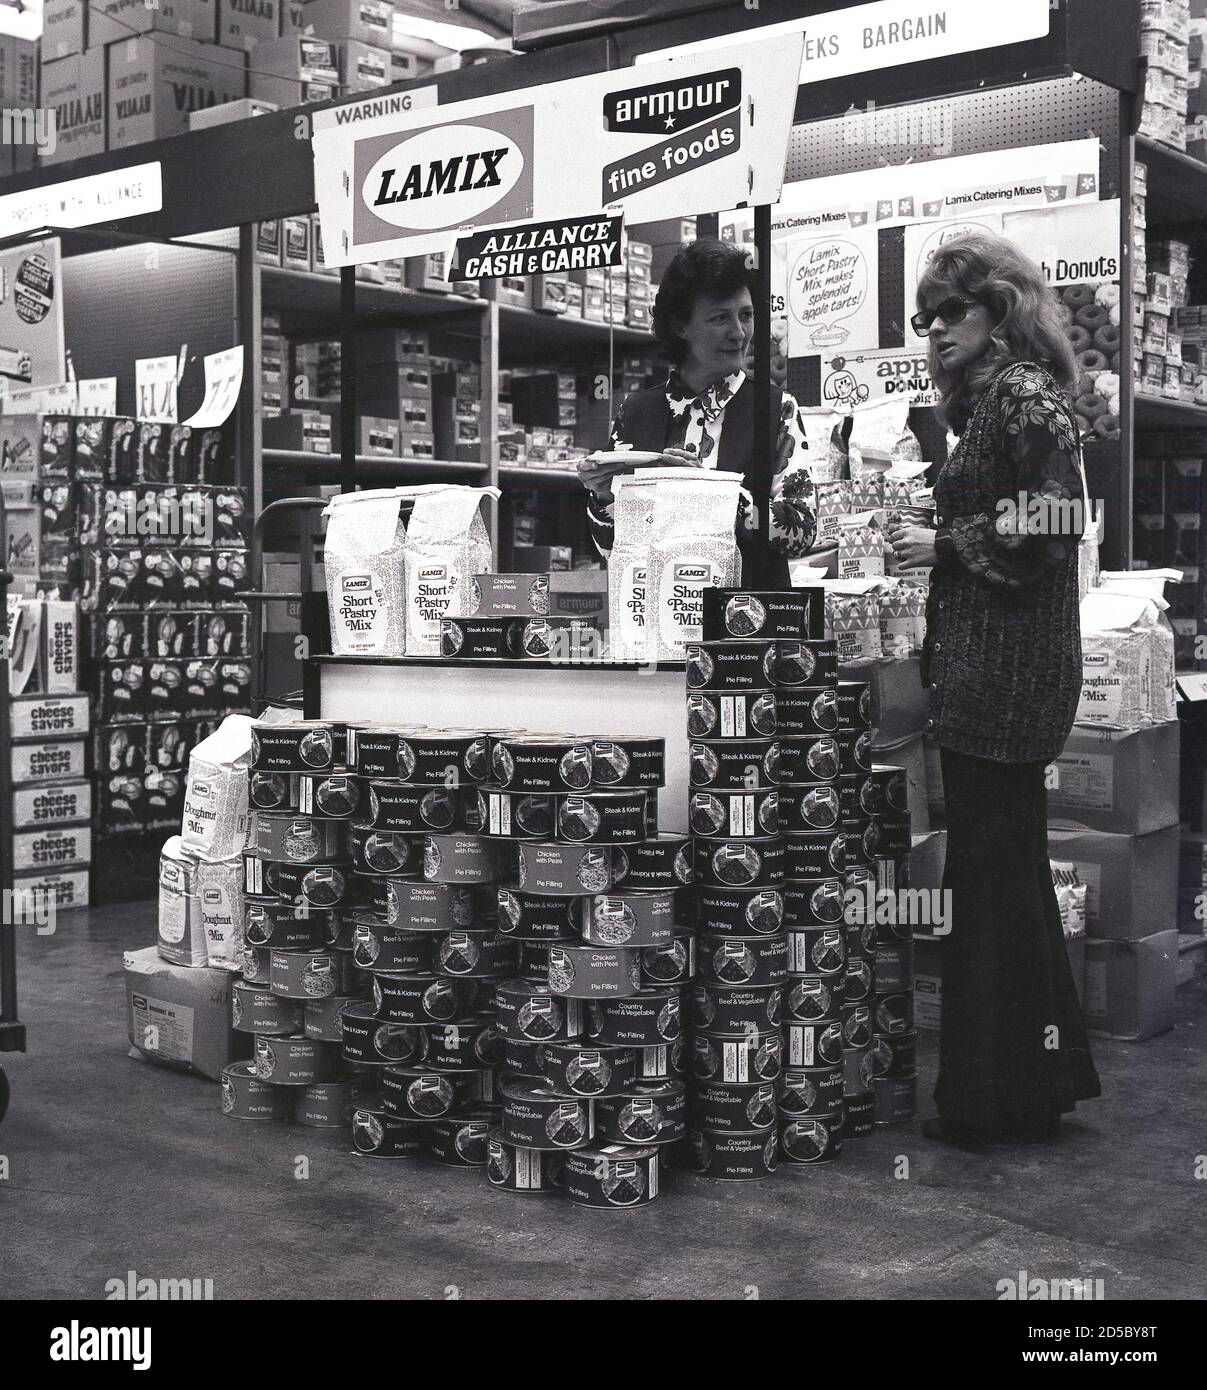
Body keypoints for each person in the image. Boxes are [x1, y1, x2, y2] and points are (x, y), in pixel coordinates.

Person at [887, 229, 1101, 1149]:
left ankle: (994, 1100)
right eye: (926, 316)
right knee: (1000, 878)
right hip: (991, 675)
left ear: (999, 310)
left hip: (1006, 681)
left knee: (990, 881)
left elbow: (1056, 522)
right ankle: (1029, 1084)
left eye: (953, 311)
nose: (936, 330)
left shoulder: (1022, 398)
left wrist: (945, 544)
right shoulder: (994, 403)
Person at [577, 238, 816, 586]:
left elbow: (802, 530)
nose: (739, 333)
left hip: (747, 627)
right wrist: (603, 496)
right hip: (654, 624)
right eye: (720, 318)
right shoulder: (636, 411)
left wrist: (708, 491)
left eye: (746, 315)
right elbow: (612, 548)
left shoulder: (777, 408)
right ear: (680, 326)